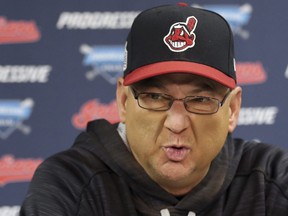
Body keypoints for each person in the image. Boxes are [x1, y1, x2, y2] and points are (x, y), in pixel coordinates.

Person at [20, 3, 288, 216]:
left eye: (200, 100)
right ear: (124, 102)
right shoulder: (71, 184)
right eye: (155, 97)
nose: (177, 123)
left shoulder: (271, 179)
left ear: (232, 109)